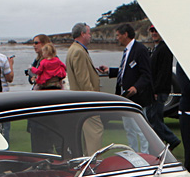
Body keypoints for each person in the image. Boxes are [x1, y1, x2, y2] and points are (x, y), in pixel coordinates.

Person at [110, 23, 152, 152]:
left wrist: (136, 87)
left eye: (118, 35)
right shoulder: (127, 51)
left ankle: (145, 155)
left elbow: (146, 74)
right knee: (129, 129)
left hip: (136, 98)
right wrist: (109, 71)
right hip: (125, 96)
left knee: (140, 129)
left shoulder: (140, 50)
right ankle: (134, 153)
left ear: (125, 34)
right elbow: (126, 71)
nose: (117, 38)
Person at [65, 24, 105, 155]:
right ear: (82, 34)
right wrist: (93, 99)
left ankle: (88, 161)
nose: (90, 36)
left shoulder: (74, 49)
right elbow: (83, 80)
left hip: (80, 101)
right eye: (89, 33)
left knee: (88, 135)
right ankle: (93, 164)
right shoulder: (78, 51)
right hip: (87, 102)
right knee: (95, 132)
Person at [145, 25, 181, 149]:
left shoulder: (164, 48)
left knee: (154, 119)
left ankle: (172, 139)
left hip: (158, 91)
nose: (154, 33)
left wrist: (156, 90)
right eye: (152, 30)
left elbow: (163, 72)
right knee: (153, 118)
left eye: (156, 30)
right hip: (155, 90)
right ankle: (159, 145)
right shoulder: (156, 48)